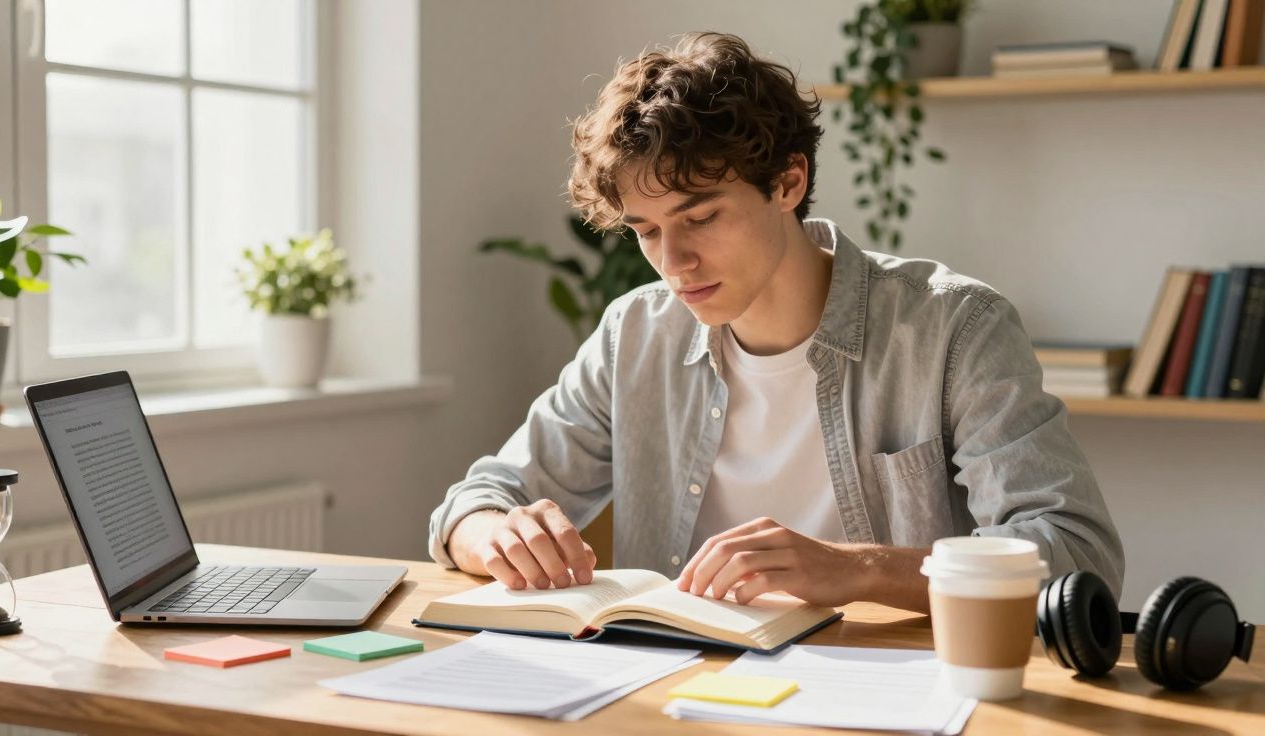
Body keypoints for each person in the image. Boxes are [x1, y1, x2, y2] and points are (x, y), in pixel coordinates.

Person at [427, 32, 1123, 613]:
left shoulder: (954, 328)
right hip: (675, 688)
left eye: (702, 216)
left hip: (889, 689)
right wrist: (496, 535)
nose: (673, 262)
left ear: (788, 182)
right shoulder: (634, 334)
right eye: (646, 231)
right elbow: (476, 502)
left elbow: (1076, 553)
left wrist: (859, 569)